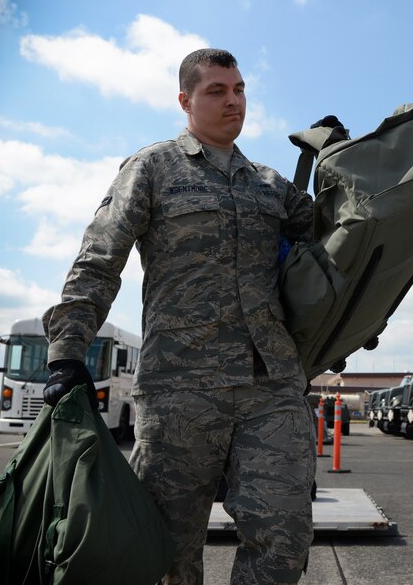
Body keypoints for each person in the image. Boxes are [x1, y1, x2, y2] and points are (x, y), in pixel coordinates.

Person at [42, 48, 317, 584]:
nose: (233, 101)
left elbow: (334, 244)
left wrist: (337, 164)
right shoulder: (154, 168)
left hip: (272, 387)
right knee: (168, 552)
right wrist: (66, 351)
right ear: (185, 100)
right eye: (217, 91)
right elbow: (99, 260)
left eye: (239, 89)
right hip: (179, 390)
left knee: (284, 540)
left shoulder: (270, 183)